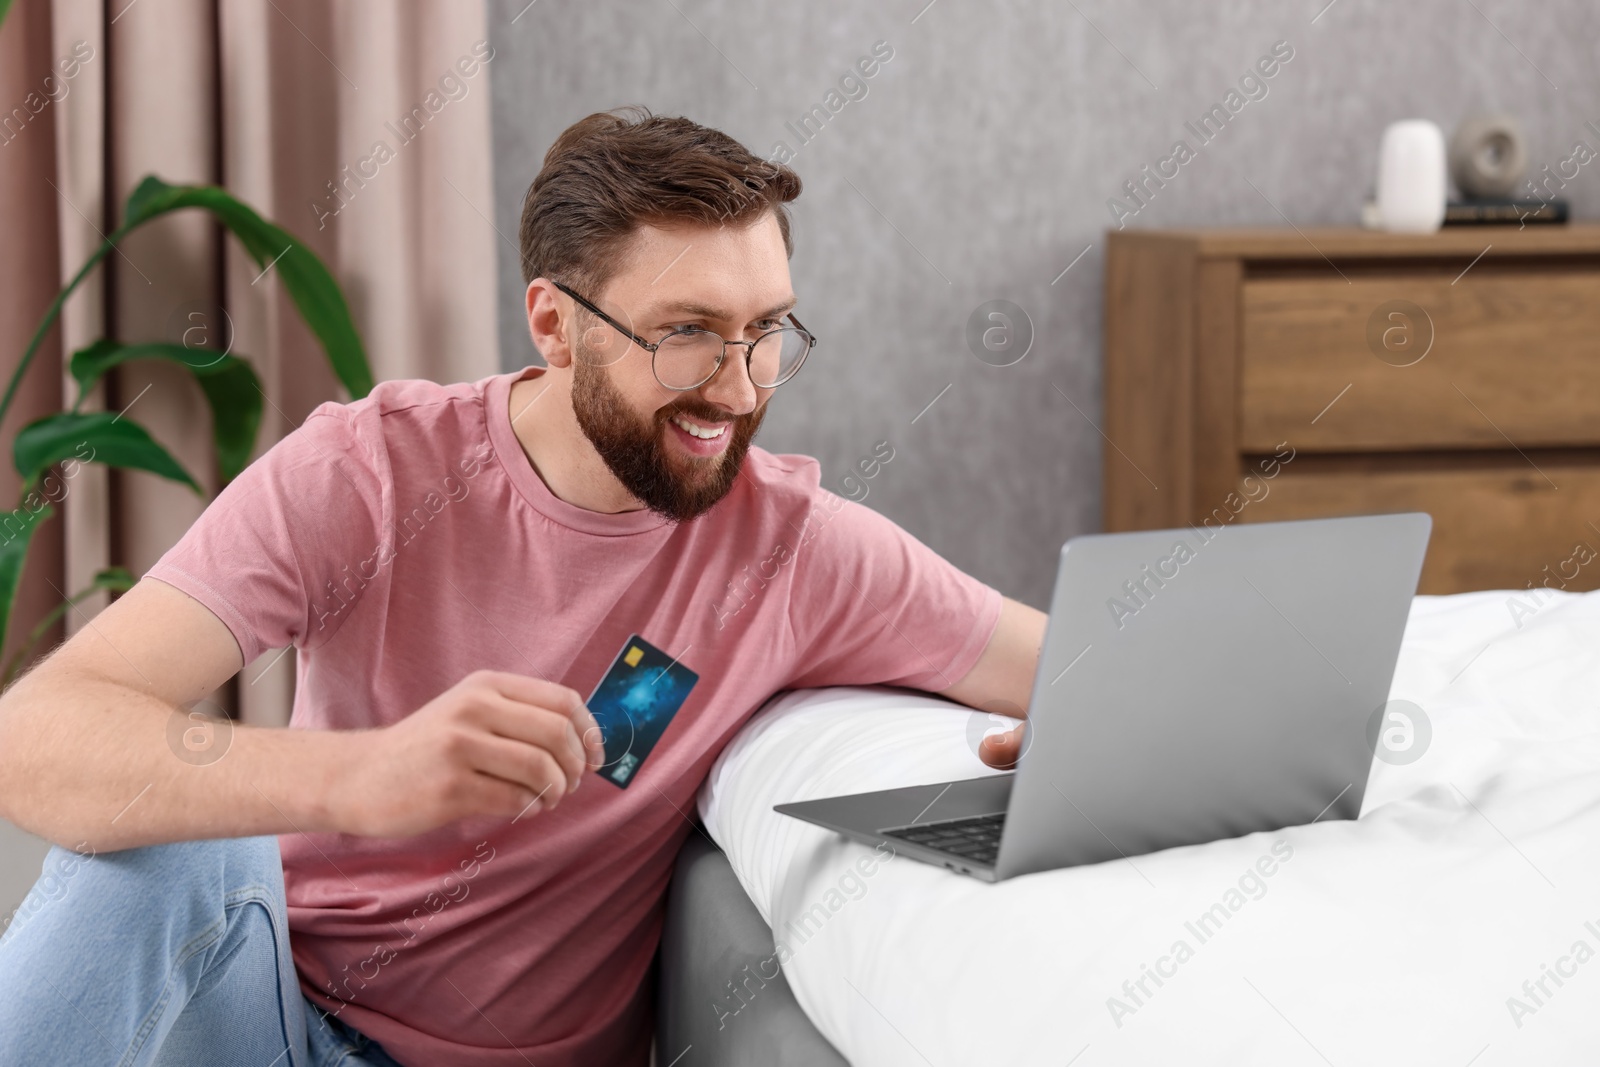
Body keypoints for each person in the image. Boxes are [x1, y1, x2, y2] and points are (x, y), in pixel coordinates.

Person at [0, 105, 1044, 1067]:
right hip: (273, 1018)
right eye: (685, 334)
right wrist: (361, 776)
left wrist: (1074, 740)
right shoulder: (368, 472)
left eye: (766, 330)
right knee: (162, 850)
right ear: (555, 325)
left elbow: (1077, 663)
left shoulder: (796, 549)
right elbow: (33, 737)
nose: (736, 386)